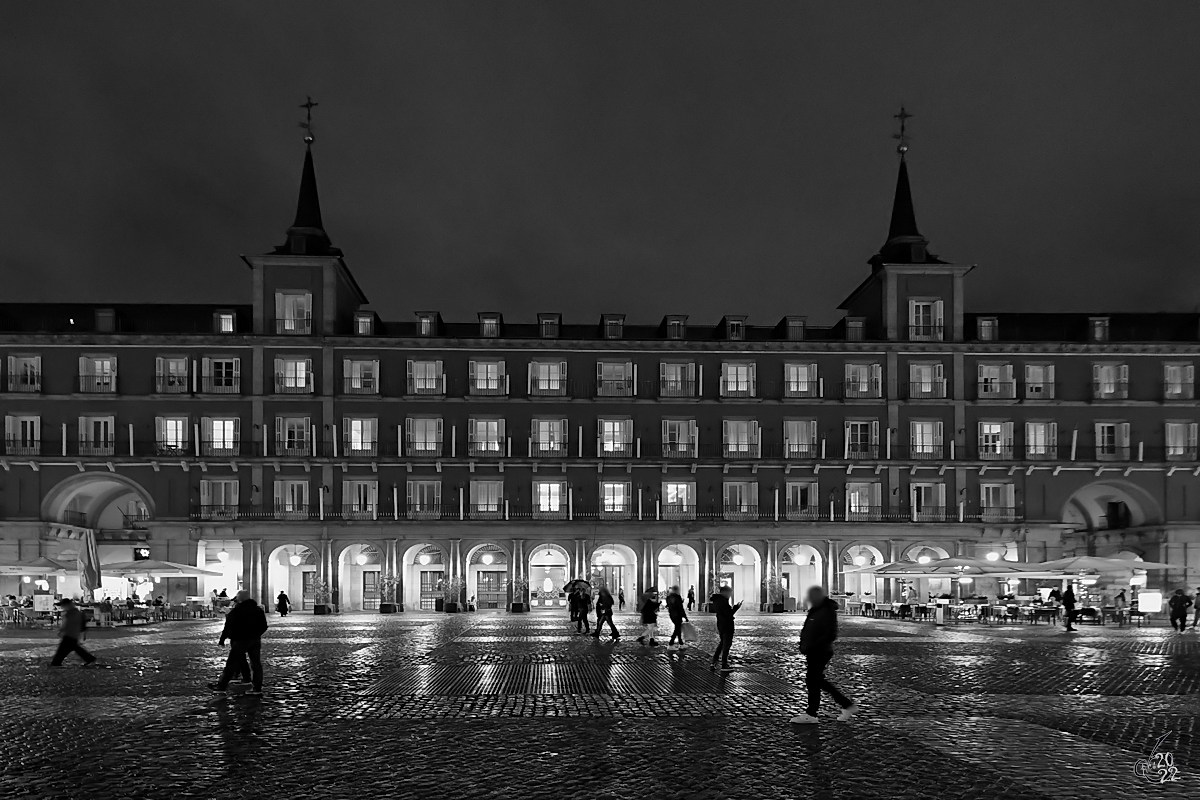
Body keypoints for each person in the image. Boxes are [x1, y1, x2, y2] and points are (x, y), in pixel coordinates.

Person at [791, 586, 856, 724]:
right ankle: (845, 705)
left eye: (811, 596)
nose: (809, 599)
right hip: (815, 650)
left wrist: (813, 645)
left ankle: (812, 713)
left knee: (813, 680)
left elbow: (829, 633)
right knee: (816, 680)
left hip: (819, 650)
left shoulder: (825, 611)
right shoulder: (818, 609)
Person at [208, 590, 268, 696]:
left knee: (231, 663)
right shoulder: (257, 610)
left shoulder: (237, 611)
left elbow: (228, 626)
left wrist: (223, 639)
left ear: (240, 598)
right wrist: (256, 634)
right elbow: (264, 625)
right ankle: (257, 688)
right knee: (256, 664)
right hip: (255, 640)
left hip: (241, 640)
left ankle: (221, 686)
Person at [49, 598, 97, 668]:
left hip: (70, 634)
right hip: (72, 635)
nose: (62, 607)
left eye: (63, 605)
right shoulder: (74, 612)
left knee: (64, 649)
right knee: (73, 648)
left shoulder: (72, 613)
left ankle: (56, 663)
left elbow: (69, 623)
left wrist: (62, 630)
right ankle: (90, 659)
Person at [710, 585, 741, 672]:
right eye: (729, 593)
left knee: (722, 643)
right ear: (724, 592)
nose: (730, 595)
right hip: (726, 624)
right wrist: (735, 608)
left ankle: (714, 661)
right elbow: (728, 614)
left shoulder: (718, 600)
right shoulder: (722, 601)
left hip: (721, 624)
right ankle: (724, 665)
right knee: (726, 645)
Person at [666, 585, 689, 650]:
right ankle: (671, 643)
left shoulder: (668, 597)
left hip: (672, 614)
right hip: (678, 614)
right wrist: (685, 616)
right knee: (677, 629)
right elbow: (680, 608)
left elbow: (669, 606)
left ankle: (681, 643)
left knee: (678, 629)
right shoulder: (677, 597)